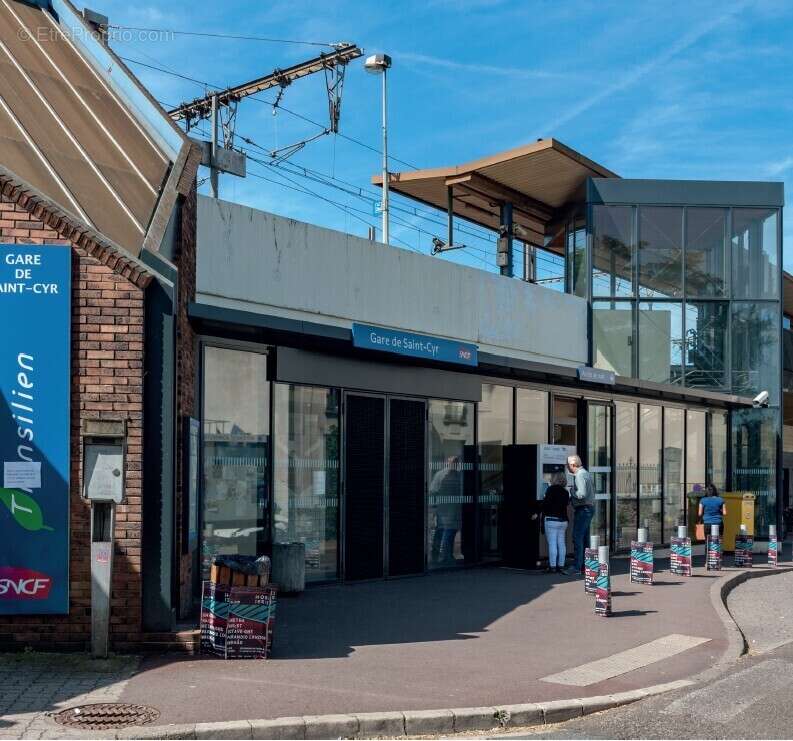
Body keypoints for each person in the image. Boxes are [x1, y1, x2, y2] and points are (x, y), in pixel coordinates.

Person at [567, 454, 594, 574]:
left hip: (583, 509)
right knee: (584, 539)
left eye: (568, 465)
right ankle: (585, 566)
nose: (568, 467)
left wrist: (572, 491)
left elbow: (581, 494)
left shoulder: (579, 475)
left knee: (577, 537)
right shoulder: (586, 473)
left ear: (573, 465)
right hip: (588, 508)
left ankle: (577, 567)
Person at [541, 471, 570, 574]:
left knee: (552, 543)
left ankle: (552, 566)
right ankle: (561, 566)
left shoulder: (551, 489)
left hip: (551, 520)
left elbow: (545, 504)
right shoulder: (565, 492)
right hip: (563, 521)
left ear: (554, 479)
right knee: (561, 543)